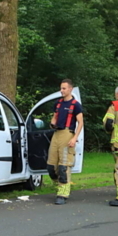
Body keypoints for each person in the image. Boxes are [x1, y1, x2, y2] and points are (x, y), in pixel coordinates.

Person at [48, 78, 83, 206]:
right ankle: (59, 186)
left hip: (67, 134)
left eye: (64, 88)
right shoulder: (58, 104)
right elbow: (54, 117)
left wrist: (74, 138)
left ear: (70, 89)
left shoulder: (75, 105)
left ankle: (62, 193)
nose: (61, 91)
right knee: (51, 166)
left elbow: (81, 122)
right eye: (61, 88)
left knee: (64, 166)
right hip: (56, 134)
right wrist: (52, 123)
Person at [102, 85, 118, 182]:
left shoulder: (115, 106)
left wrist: (110, 132)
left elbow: (108, 123)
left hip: (117, 141)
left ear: (117, 94)